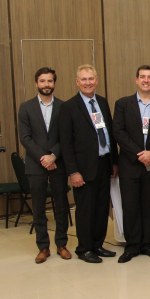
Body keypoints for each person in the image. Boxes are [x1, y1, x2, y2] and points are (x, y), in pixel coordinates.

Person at [59, 65, 118, 263]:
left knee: (102, 208)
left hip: (104, 164)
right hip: (83, 170)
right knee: (85, 210)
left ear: (97, 80)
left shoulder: (102, 102)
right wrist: (73, 172)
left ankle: (97, 245)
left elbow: (109, 133)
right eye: (83, 79)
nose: (88, 82)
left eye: (91, 79)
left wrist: (114, 162)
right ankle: (84, 248)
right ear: (77, 82)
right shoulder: (68, 107)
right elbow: (66, 144)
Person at [113, 65, 150, 263]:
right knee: (130, 207)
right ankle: (132, 246)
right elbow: (118, 132)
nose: (146, 80)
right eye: (142, 77)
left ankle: (148, 245)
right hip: (130, 164)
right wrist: (140, 154)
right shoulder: (122, 104)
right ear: (136, 80)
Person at [18, 67, 71, 264]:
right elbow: (25, 138)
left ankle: (62, 244)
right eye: (42, 81)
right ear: (36, 83)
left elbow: (65, 136)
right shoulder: (26, 107)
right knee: (39, 208)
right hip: (36, 164)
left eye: (49, 81)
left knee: (61, 206)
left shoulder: (63, 107)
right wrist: (44, 157)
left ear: (54, 83)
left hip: (58, 163)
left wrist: (53, 156)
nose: (46, 85)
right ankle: (43, 247)